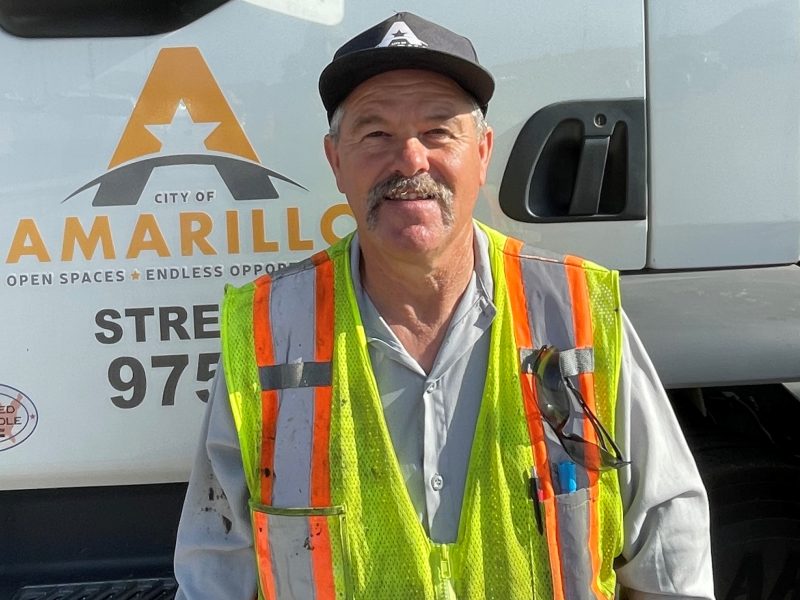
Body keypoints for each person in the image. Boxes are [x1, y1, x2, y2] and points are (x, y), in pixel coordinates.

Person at [174, 12, 714, 600]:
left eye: (437, 132)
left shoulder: (576, 313)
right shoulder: (268, 331)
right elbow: (214, 573)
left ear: (482, 154)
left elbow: (668, 543)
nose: (410, 161)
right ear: (335, 161)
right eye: (376, 134)